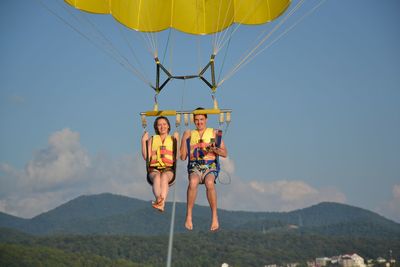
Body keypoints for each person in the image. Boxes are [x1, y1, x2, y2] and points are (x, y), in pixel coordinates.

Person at [180, 108, 227, 231]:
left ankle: (214, 216)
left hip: (210, 166)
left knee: (209, 182)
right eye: (196, 120)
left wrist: (214, 149)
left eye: (201, 119)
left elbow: (225, 153)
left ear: (206, 119)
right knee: (193, 182)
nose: (199, 122)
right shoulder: (189, 134)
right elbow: (183, 156)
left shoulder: (214, 133)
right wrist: (183, 139)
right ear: (193, 121)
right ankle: (189, 215)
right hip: (194, 166)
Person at [141, 116, 179, 212]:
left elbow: (177, 156)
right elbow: (147, 157)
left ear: (168, 126)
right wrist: (143, 141)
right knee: (157, 177)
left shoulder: (173, 139)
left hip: (168, 169)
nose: (162, 127)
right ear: (156, 127)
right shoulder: (152, 139)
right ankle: (159, 200)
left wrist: (177, 141)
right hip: (154, 169)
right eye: (159, 125)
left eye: (164, 124)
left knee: (164, 177)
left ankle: (161, 202)